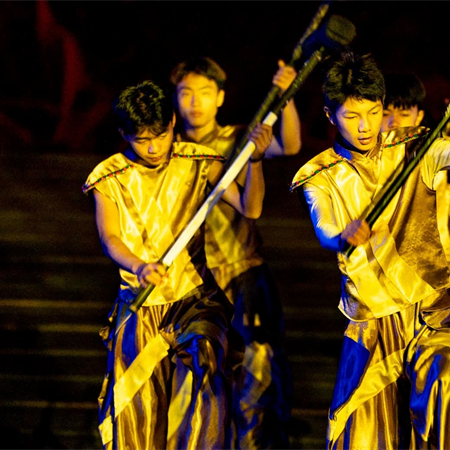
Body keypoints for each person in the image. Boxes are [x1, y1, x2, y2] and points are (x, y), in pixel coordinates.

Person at [291, 52, 450, 449]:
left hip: (434, 309)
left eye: (372, 112)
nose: (366, 126)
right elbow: (325, 228)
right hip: (372, 324)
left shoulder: (416, 146)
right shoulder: (319, 174)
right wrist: (343, 236)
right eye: (352, 116)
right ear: (330, 115)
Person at [84, 80, 272, 449]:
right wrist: (139, 266)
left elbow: (251, 208)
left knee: (208, 364)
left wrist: (255, 161)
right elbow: (110, 238)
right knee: (135, 413)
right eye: (141, 140)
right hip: (140, 304)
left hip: (194, 298)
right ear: (123, 134)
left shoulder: (198, 161)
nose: (153, 147)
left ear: (172, 123)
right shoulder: (108, 176)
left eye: (160, 135)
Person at [169, 56, 299, 448]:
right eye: (186, 93)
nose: (195, 102)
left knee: (257, 376)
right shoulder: (169, 150)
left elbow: (290, 144)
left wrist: (287, 95)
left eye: (204, 93)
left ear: (220, 97)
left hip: (244, 275)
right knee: (200, 379)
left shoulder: (238, 138)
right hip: (195, 282)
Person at [381, 73, 450, 310]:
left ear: (420, 115)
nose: (394, 122)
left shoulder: (433, 150)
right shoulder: (370, 155)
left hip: (440, 266)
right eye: (386, 113)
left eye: (404, 114)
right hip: (390, 271)